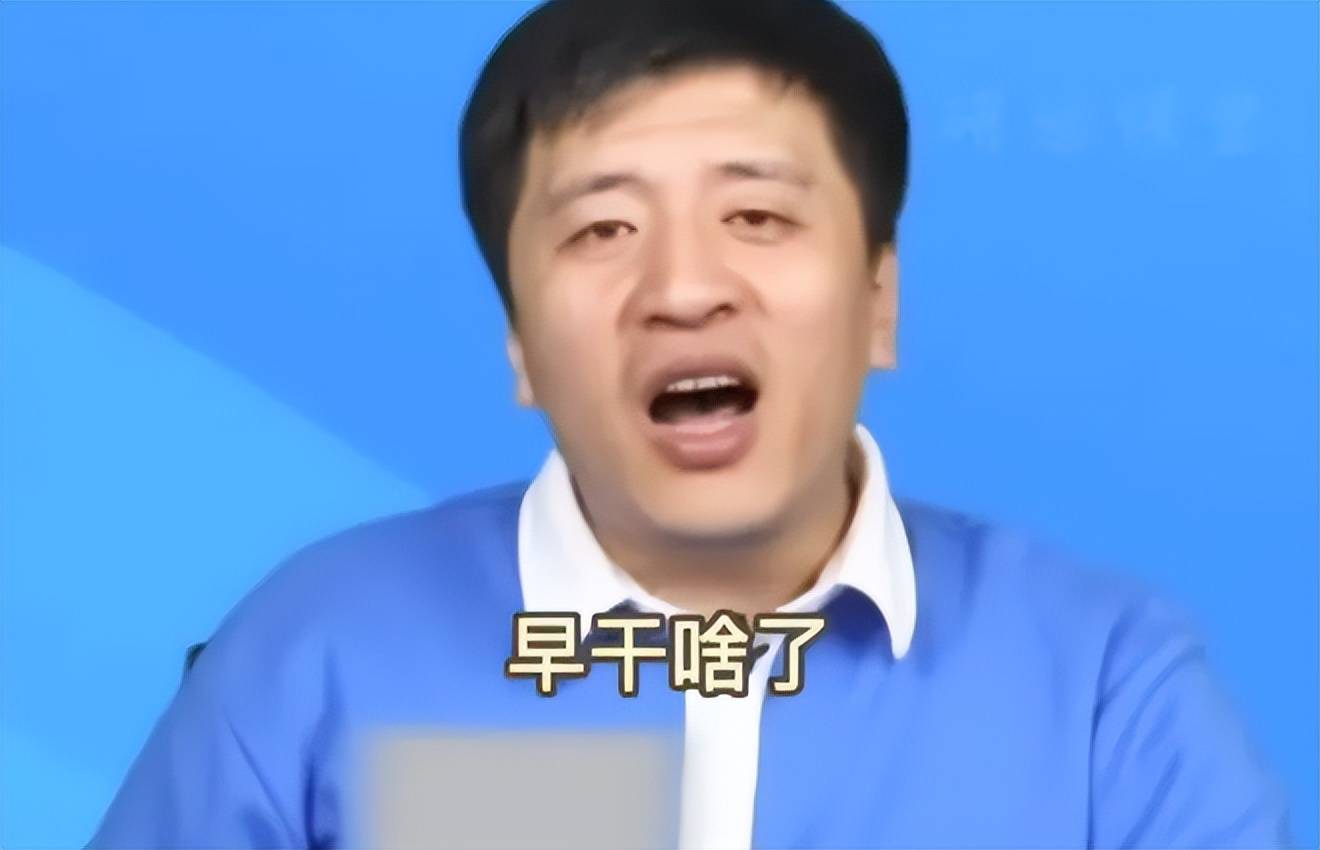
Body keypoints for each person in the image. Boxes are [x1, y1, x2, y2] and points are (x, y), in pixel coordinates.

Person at [88, 0, 1291, 847]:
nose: (683, 287)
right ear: (519, 343)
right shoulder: (318, 655)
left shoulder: (1103, 686)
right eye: (602, 229)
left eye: (757, 216)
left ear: (879, 300)